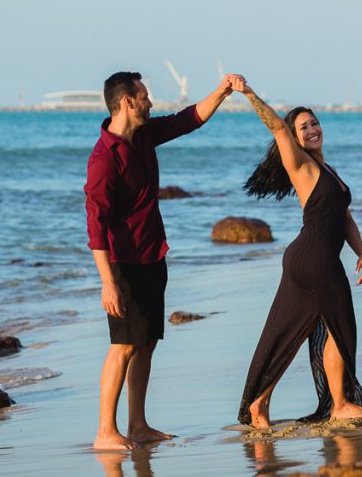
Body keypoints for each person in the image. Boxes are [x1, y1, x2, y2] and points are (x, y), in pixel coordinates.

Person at [85, 70, 238, 450]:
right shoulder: (105, 158)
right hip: (123, 264)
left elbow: (189, 119)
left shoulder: (144, 136)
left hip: (153, 254)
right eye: (145, 96)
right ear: (127, 101)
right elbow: (96, 227)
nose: (151, 102)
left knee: (147, 342)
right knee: (122, 346)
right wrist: (108, 282)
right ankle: (105, 430)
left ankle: (137, 425)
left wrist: (222, 89)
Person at [231, 76, 362, 428]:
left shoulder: (329, 171)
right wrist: (249, 94)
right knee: (340, 329)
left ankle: (259, 405)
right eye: (303, 127)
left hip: (308, 258)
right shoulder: (303, 167)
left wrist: (361, 250)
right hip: (315, 259)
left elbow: (344, 218)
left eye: (314, 123)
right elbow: (277, 126)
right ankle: (339, 404)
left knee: (286, 333)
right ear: (294, 139)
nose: (312, 130)